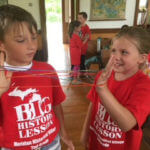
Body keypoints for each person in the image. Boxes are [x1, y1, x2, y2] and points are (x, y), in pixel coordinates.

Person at [0, 4, 74, 150]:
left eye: (34, 38)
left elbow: (56, 104)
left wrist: (63, 132)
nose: (32, 46)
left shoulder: (47, 69)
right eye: (21, 40)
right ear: (1, 44)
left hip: (51, 142)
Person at [80, 26, 150, 150]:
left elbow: (127, 124)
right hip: (96, 142)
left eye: (124, 52)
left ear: (141, 58)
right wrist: (85, 133)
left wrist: (103, 89)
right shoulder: (103, 76)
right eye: (113, 50)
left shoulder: (144, 85)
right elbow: (93, 105)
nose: (115, 57)